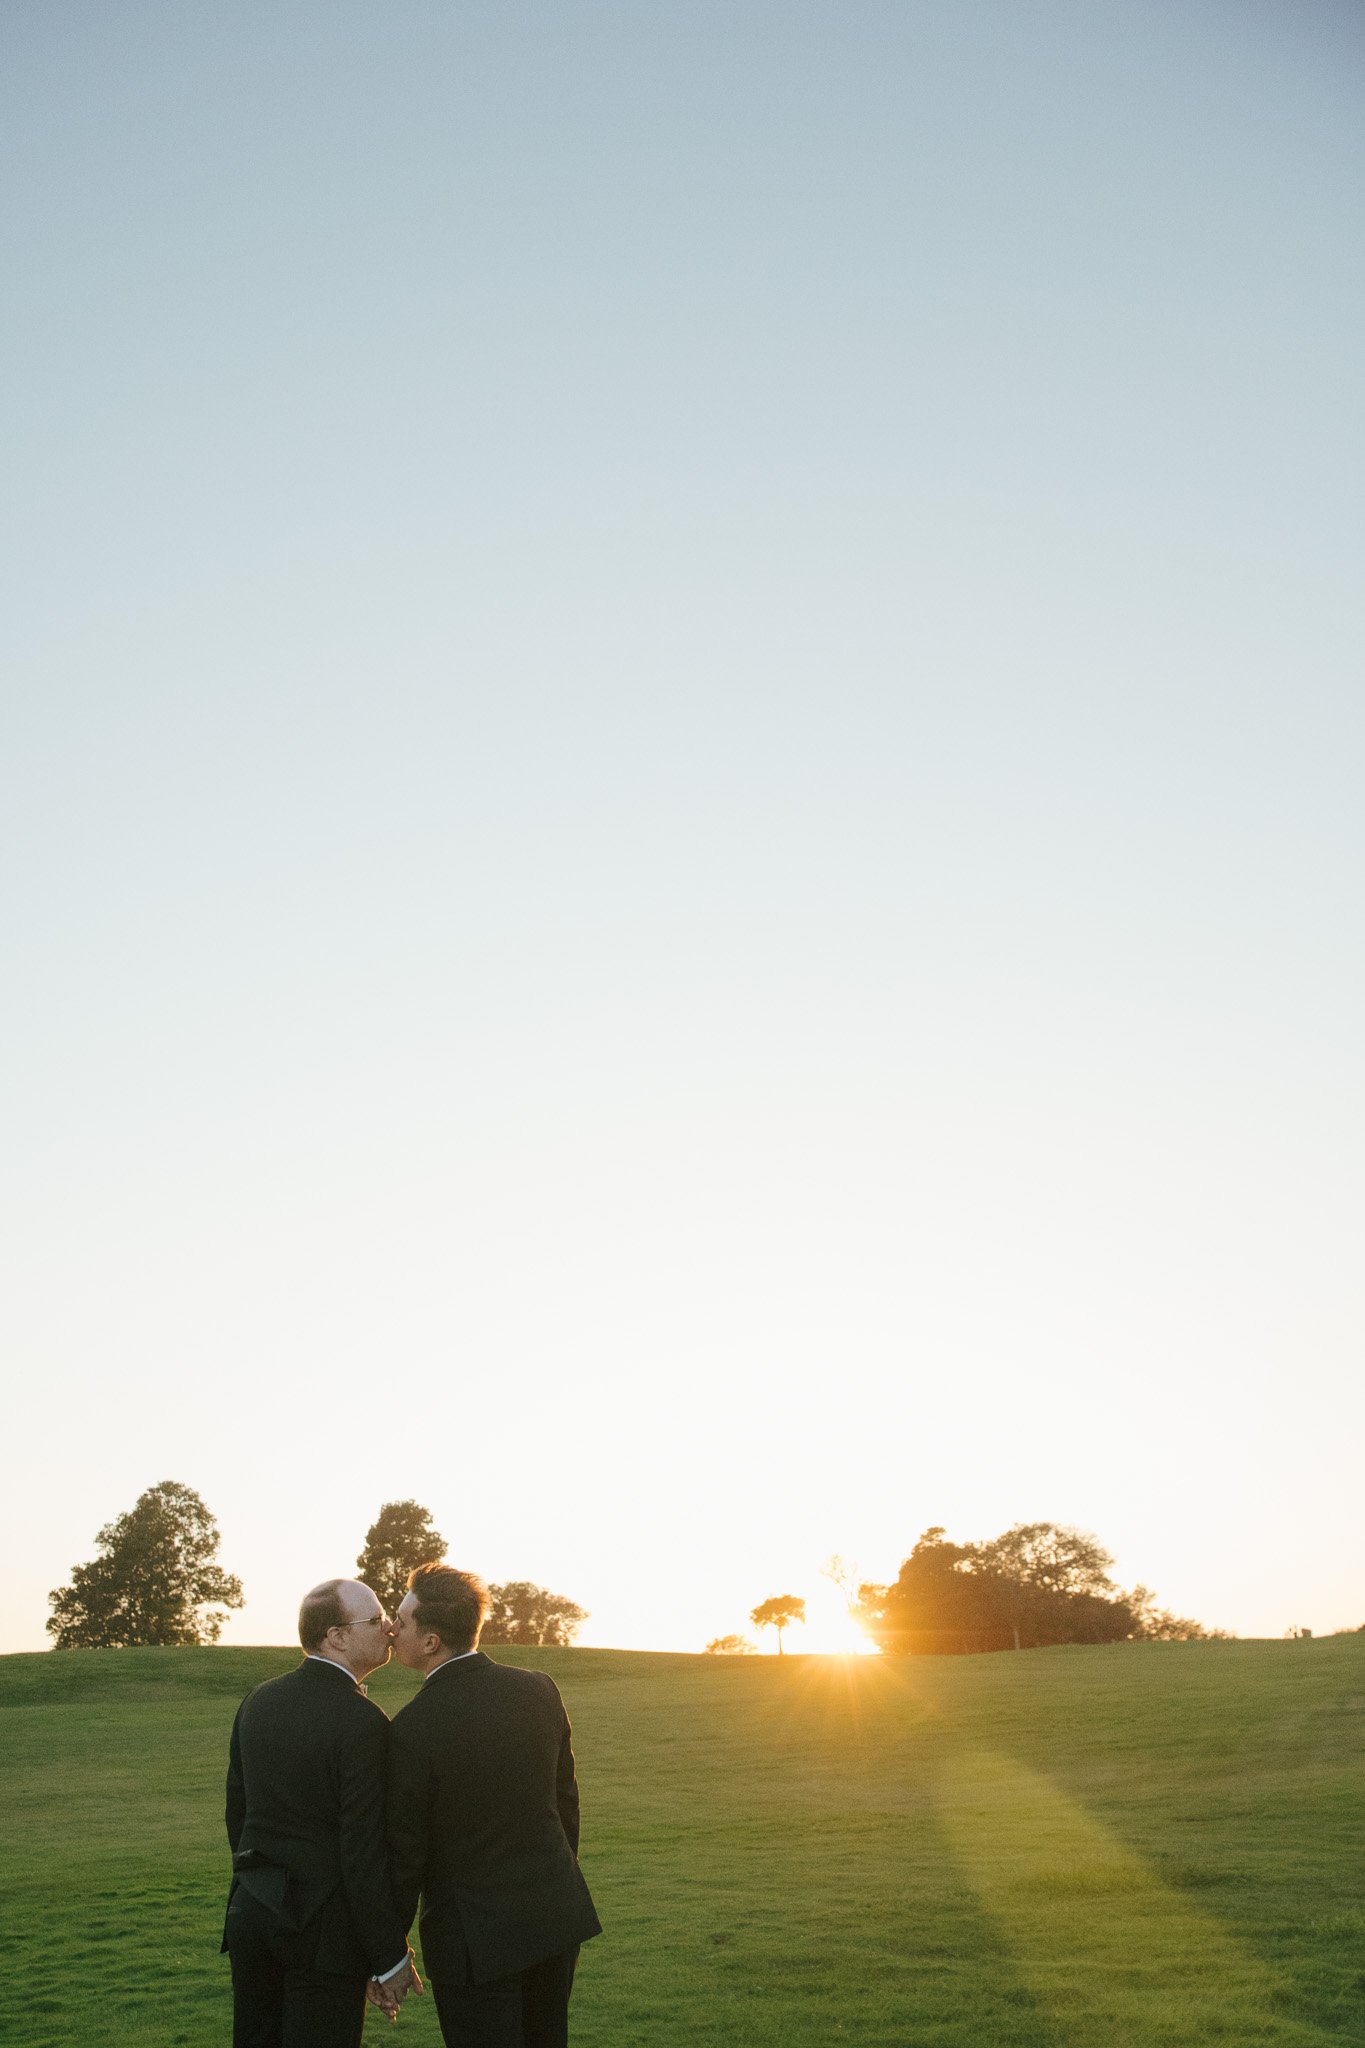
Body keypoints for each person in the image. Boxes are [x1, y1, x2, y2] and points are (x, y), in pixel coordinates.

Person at [384, 1563, 602, 2047]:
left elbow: (405, 1854)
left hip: (472, 1942)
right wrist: (555, 1875)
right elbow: (566, 1803)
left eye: (401, 1619)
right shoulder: (539, 1690)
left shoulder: (410, 1730)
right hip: (553, 1917)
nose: (390, 1627)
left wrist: (389, 1953)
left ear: (431, 1641)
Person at [223, 1577, 422, 2046]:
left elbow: (239, 1814)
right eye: (375, 1620)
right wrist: (389, 1957)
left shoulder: (257, 1701)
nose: (390, 1628)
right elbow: (363, 1850)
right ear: (336, 1637)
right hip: (324, 1934)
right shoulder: (365, 1724)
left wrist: (259, 1883)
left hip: (253, 1916)